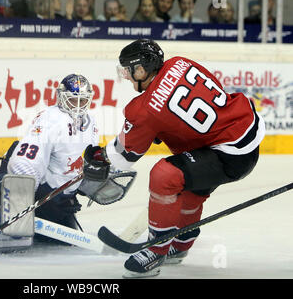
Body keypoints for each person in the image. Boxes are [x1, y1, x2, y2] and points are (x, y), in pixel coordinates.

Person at [81, 39, 265, 277]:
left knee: (165, 174)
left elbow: (124, 157)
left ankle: (156, 251)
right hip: (245, 131)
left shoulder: (143, 109)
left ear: (141, 69)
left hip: (228, 154)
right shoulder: (180, 63)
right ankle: (180, 244)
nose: (125, 76)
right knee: (188, 183)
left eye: (128, 69)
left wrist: (100, 156)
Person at [0, 74, 99, 242]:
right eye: (73, 100)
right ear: (61, 97)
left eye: (83, 100)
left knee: (62, 243)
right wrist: (19, 202)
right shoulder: (50, 119)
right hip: (39, 194)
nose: (78, 106)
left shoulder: (91, 123)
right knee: (17, 160)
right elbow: (25, 161)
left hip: (60, 199)